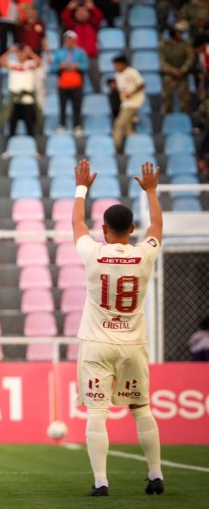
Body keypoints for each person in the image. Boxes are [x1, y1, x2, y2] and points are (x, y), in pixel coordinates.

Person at [71, 159, 164, 497]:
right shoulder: (144, 255)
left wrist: (81, 187)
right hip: (133, 343)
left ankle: (101, 482)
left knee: (98, 411)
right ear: (132, 228)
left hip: (97, 342)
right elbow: (157, 227)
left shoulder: (94, 252)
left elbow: (76, 223)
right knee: (141, 408)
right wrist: (151, 191)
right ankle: (155, 475)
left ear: (105, 229)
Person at [60, 0, 103, 92]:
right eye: (78, 11)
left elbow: (99, 16)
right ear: (75, 14)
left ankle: (100, 98)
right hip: (77, 60)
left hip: (92, 58)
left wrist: (92, 8)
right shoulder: (73, 26)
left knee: (96, 82)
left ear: (88, 13)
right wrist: (69, 8)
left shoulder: (93, 24)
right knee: (78, 85)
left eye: (84, 11)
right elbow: (65, 17)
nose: (82, 13)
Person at [0, 44, 42, 138]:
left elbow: (39, 62)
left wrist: (30, 53)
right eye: (19, 53)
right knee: (12, 127)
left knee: (29, 126)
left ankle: (32, 148)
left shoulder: (30, 63)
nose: (21, 55)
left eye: (23, 53)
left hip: (27, 99)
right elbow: (0, 62)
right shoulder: (12, 63)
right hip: (15, 99)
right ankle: (9, 147)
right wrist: (10, 51)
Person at [51, 31, 89, 134]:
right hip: (63, 84)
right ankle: (62, 125)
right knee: (62, 106)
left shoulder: (81, 52)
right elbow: (52, 68)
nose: (69, 41)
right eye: (67, 39)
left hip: (76, 84)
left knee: (77, 106)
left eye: (71, 39)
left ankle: (77, 126)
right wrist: (60, 66)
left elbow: (86, 66)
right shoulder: (59, 53)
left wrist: (77, 66)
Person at [112, 55, 145, 153]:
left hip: (134, 102)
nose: (115, 67)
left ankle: (115, 148)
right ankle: (136, 149)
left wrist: (131, 93)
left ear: (122, 64)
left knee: (119, 123)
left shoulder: (132, 72)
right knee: (128, 130)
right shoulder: (117, 75)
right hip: (125, 103)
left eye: (116, 65)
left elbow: (141, 84)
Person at [159, 23, 194, 114]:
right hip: (169, 76)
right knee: (167, 100)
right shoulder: (164, 45)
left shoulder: (186, 45)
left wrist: (183, 69)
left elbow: (191, 59)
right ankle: (168, 121)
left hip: (183, 76)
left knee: (185, 101)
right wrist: (174, 71)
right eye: (178, 33)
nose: (180, 35)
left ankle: (186, 120)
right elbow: (162, 62)